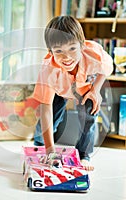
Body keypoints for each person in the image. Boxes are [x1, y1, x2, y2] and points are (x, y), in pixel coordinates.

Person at [32, 16, 113, 170]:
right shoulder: (48, 70)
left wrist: (95, 90)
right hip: (59, 90)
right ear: (51, 52)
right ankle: (40, 143)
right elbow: (46, 109)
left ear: (81, 45)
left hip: (83, 89)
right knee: (52, 114)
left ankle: (84, 154)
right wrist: (50, 151)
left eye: (72, 48)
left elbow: (107, 68)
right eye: (59, 51)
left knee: (89, 111)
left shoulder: (93, 53)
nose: (66, 57)